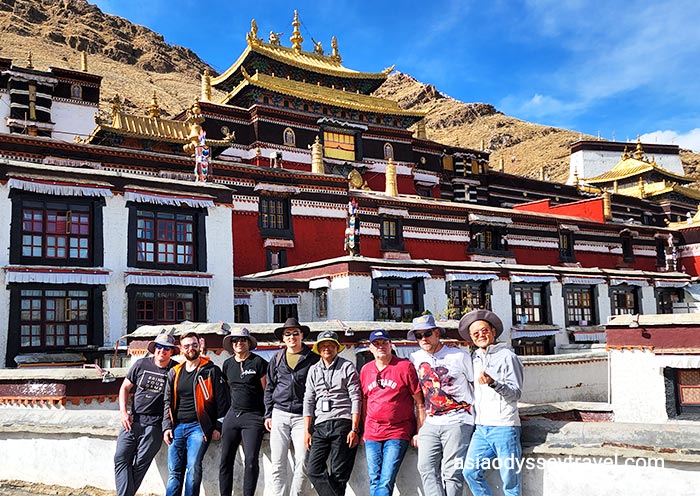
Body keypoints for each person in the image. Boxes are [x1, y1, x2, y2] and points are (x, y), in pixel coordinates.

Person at [408, 314, 475, 496]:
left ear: (437, 333)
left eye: (427, 333)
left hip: (459, 419)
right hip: (431, 421)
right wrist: (419, 428)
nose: (423, 339)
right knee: (425, 467)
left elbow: (476, 385)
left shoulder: (459, 356)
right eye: (418, 336)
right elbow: (419, 398)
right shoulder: (415, 359)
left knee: (452, 471)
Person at [459, 309, 524, 496]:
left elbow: (516, 393)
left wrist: (494, 383)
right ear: (471, 338)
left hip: (504, 427)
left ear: (493, 331)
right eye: (476, 334)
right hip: (481, 427)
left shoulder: (508, 357)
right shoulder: (475, 358)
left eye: (484, 330)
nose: (481, 336)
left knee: (511, 481)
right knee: (470, 472)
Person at [163, 332, 229, 496]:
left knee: (193, 468)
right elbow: (167, 402)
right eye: (186, 346)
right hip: (177, 427)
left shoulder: (211, 371)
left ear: (199, 346)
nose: (190, 348)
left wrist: (218, 426)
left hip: (199, 428)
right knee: (174, 472)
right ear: (180, 349)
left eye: (194, 345)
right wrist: (167, 426)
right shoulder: (175, 372)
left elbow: (223, 401)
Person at [114, 328, 178, 496]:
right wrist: (123, 412)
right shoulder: (141, 364)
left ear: (171, 351)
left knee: (141, 463)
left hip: (155, 425)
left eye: (166, 348)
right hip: (133, 420)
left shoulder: (175, 370)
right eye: (159, 346)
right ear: (154, 348)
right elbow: (125, 388)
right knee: (120, 458)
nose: (161, 351)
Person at [360, 329, 424, 496]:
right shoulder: (366, 370)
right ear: (370, 348)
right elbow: (365, 401)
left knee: (386, 479)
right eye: (376, 344)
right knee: (374, 478)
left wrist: (419, 431)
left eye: (384, 343)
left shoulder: (404, 366)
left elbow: (419, 401)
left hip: (398, 431)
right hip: (372, 432)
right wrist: (363, 430)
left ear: (391, 345)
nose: (381, 346)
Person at [264, 317, 320, 496]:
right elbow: (269, 386)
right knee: (278, 463)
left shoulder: (313, 359)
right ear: (283, 337)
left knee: (302, 460)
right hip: (279, 413)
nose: (292, 337)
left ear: (302, 335)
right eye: (287, 334)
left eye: (295, 333)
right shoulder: (277, 358)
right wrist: (268, 414)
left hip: (302, 416)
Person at [303, 330, 362, 496]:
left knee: (339, 474)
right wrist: (307, 431)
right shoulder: (314, 370)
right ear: (318, 348)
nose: (326, 348)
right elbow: (308, 400)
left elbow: (356, 398)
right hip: (320, 424)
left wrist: (354, 428)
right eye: (323, 345)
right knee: (313, 469)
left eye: (330, 345)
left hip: (342, 422)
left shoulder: (346, 366)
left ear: (337, 348)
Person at [219, 327, 268, 496]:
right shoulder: (227, 364)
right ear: (231, 344)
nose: (239, 343)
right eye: (235, 340)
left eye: (242, 340)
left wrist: (267, 415)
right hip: (233, 415)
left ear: (248, 342)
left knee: (251, 461)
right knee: (225, 459)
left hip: (253, 416)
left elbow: (266, 390)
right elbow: (226, 390)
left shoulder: (259, 362)